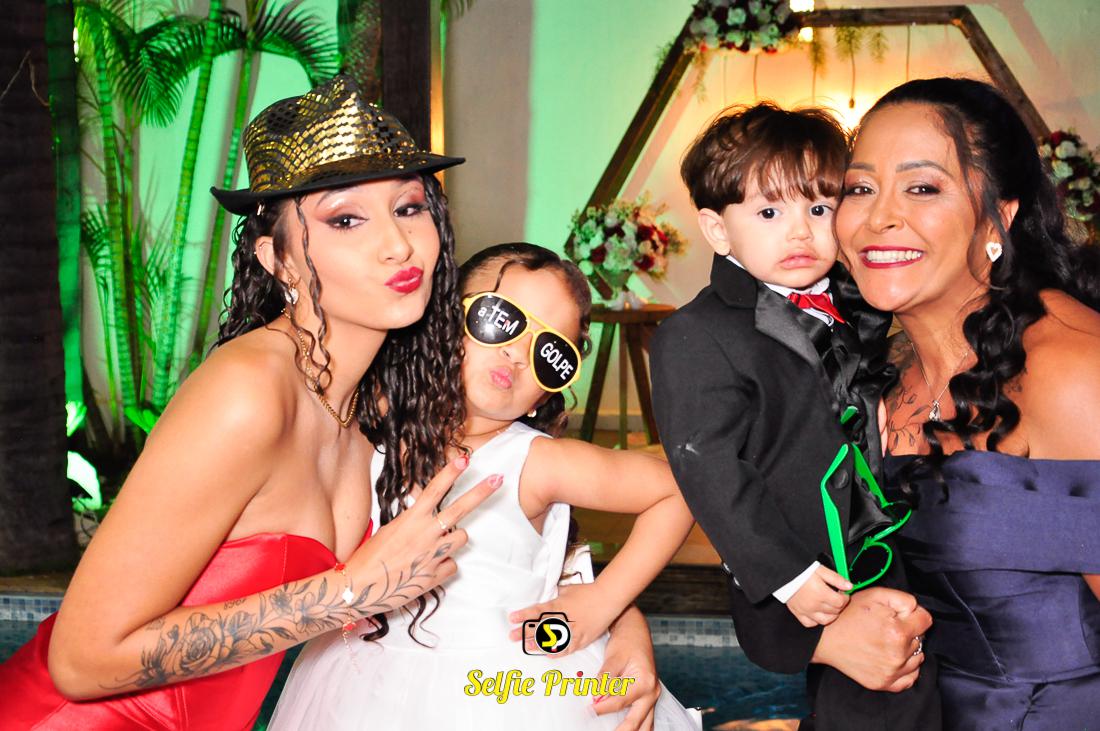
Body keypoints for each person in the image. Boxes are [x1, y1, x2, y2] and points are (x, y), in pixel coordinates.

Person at [0, 75, 503, 730]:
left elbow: (531, 494)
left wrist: (617, 619)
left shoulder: (374, 403)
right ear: (278, 258)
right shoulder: (248, 392)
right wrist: (351, 590)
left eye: (408, 208)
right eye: (346, 219)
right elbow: (82, 658)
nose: (398, 245)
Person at [269, 242, 701, 730]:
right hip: (357, 680)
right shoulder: (364, 428)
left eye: (550, 353)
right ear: (444, 319)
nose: (517, 353)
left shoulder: (537, 462)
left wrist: (606, 604)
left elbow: (677, 490)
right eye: (500, 319)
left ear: (546, 392)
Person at [650, 102, 941, 730]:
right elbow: (710, 469)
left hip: (887, 545)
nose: (800, 233)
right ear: (718, 230)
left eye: (818, 209)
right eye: (769, 213)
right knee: (871, 706)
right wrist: (786, 575)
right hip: (807, 572)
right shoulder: (696, 333)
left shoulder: (858, 303)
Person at [836, 76, 1100, 729]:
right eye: (859, 188)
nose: (878, 217)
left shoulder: (1071, 369)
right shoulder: (883, 378)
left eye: (922, 188)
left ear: (999, 215)